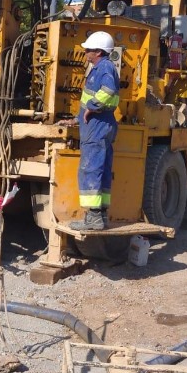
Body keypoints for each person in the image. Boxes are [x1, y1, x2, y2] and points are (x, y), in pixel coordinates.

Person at [68, 30, 119, 231]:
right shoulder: (102, 67)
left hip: (97, 126)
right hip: (101, 124)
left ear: (98, 51)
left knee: (91, 169)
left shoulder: (104, 67)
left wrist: (92, 107)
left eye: (88, 49)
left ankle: (94, 218)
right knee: (102, 169)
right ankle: (100, 215)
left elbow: (108, 91)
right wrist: (77, 118)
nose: (86, 52)